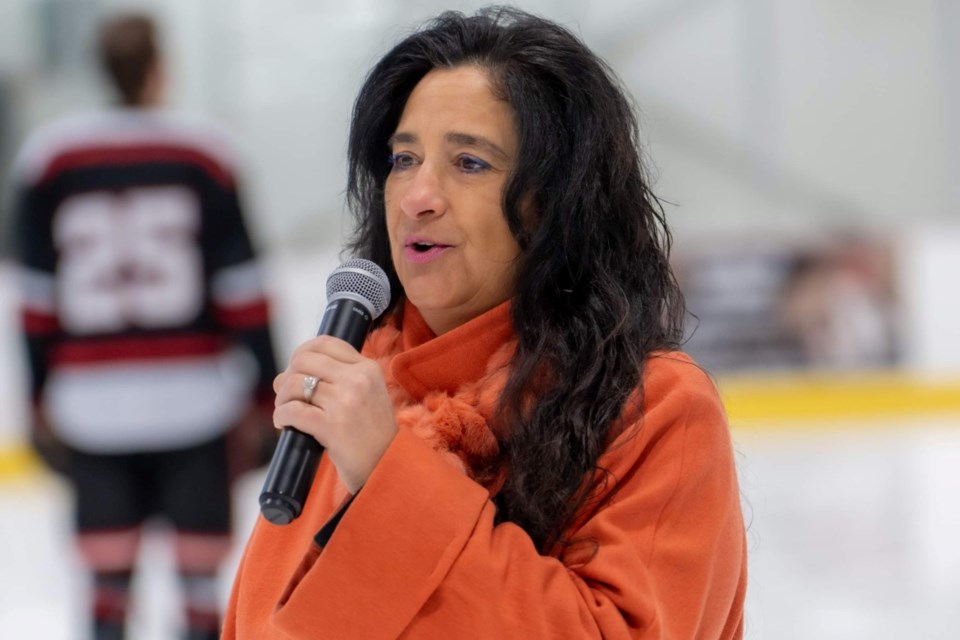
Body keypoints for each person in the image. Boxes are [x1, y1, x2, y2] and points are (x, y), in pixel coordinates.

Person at [225, 6, 746, 639]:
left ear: (557, 203)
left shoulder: (653, 406)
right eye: (403, 160)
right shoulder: (357, 392)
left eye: (470, 163)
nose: (418, 196)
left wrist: (390, 479)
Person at [10, 13, 278, 640]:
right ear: (160, 67)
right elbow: (243, 294)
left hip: (91, 409)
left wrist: (38, 394)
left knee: (105, 590)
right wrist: (267, 392)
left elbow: (36, 301)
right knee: (200, 591)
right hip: (196, 402)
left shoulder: (49, 159)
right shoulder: (207, 154)